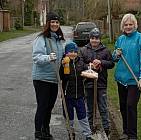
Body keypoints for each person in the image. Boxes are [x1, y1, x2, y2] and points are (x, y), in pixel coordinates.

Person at [112, 13, 141, 140]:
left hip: (134, 80)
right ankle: (125, 132)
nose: (128, 27)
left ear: (135, 25)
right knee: (123, 106)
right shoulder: (121, 39)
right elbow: (114, 58)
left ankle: (133, 135)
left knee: (130, 105)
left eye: (131, 24)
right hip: (121, 79)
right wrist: (116, 54)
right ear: (123, 26)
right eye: (126, 24)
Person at [32, 12, 64, 140]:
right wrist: (48, 57)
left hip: (53, 78)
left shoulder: (58, 39)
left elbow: (61, 58)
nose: (54, 24)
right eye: (52, 22)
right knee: (42, 105)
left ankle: (46, 129)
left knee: (50, 106)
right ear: (48, 23)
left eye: (56, 22)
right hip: (42, 78)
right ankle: (38, 132)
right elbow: (36, 57)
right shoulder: (41, 38)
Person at [79, 28, 115, 138]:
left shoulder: (105, 50)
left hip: (101, 84)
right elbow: (80, 64)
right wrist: (90, 66)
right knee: (89, 108)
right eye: (92, 38)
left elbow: (111, 64)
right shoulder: (84, 50)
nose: (94, 40)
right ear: (89, 38)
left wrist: (101, 62)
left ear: (100, 39)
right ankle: (89, 129)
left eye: (97, 38)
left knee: (103, 107)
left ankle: (106, 129)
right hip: (88, 83)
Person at [59, 42, 94, 140]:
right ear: (66, 53)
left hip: (79, 95)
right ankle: (71, 133)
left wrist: (90, 71)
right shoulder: (64, 63)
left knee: (83, 116)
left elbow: (86, 72)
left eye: (75, 51)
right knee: (69, 117)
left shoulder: (80, 62)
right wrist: (62, 66)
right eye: (70, 51)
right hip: (67, 96)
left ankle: (88, 135)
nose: (73, 54)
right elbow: (60, 76)